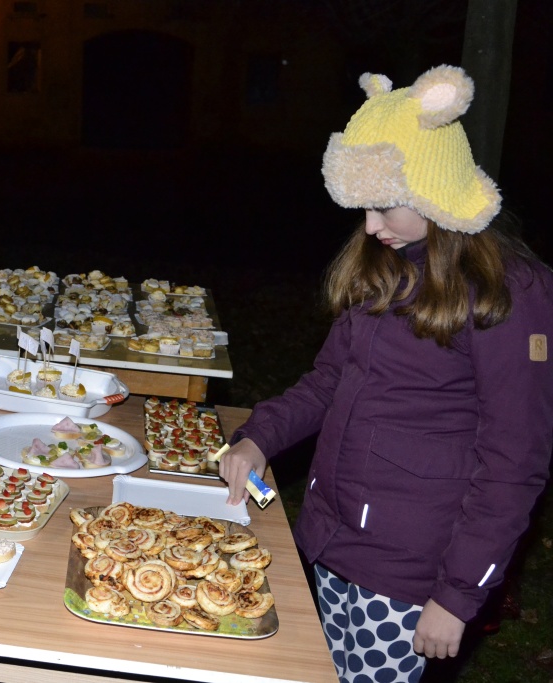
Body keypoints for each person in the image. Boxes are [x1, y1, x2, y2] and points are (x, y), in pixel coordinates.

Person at [219, 65, 553, 683]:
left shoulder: (509, 293)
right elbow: (328, 381)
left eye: (383, 206)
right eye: (363, 208)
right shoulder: (385, 264)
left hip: (409, 572)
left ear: (433, 190)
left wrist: (457, 594)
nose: (371, 227)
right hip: (333, 538)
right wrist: (260, 435)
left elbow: (515, 460)